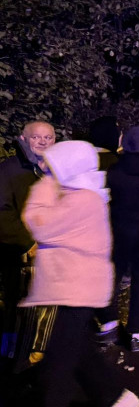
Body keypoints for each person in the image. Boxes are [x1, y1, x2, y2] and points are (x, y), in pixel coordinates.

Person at [10, 140, 139, 407]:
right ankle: (115, 398)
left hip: (76, 288)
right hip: (69, 287)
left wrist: (43, 189)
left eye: (52, 166)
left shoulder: (82, 199)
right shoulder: (78, 195)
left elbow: (40, 225)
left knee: (58, 362)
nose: (46, 170)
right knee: (77, 351)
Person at [98, 125, 139, 352]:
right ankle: (136, 334)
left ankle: (108, 325)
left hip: (119, 232)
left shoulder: (114, 171)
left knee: (112, 277)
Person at [0, 121, 54, 360]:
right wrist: (27, 243)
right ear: (23, 139)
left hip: (52, 253)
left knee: (47, 308)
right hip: (21, 255)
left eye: (48, 137)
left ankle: (38, 355)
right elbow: (2, 213)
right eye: (36, 137)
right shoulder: (8, 170)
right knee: (19, 306)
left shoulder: (56, 170)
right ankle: (15, 357)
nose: (43, 142)